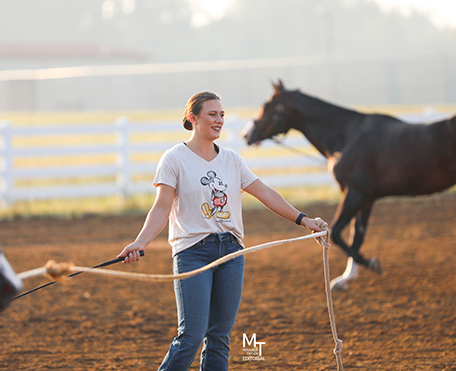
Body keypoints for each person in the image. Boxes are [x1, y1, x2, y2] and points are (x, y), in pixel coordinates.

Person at [117, 91, 328, 370]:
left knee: (218, 337)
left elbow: (264, 193)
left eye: (222, 115)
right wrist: (139, 242)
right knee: (191, 336)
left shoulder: (231, 159)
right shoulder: (174, 159)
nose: (219, 120)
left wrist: (304, 220)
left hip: (231, 253)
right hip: (192, 253)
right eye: (212, 114)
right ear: (193, 118)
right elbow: (161, 208)